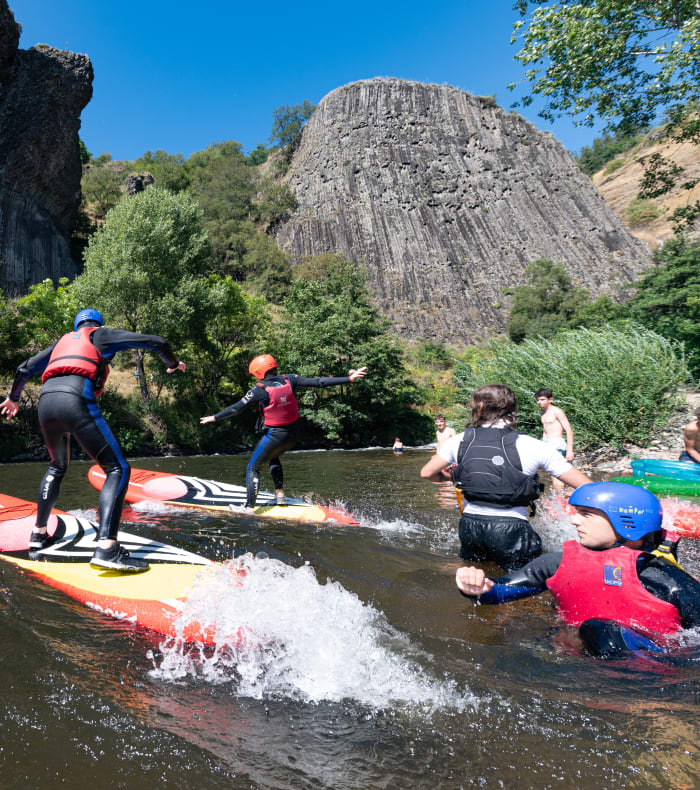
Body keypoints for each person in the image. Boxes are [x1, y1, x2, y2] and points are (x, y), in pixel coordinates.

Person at [0, 309, 186, 572]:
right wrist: (172, 363)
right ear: (97, 324)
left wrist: (14, 398)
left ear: (76, 325)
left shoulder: (61, 344)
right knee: (117, 469)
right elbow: (156, 341)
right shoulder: (100, 335)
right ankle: (107, 548)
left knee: (56, 466)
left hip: (46, 405)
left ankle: (39, 534)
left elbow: (24, 368)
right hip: (75, 400)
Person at [456, 482, 700, 659]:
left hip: (649, 666)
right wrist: (478, 588)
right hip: (578, 652)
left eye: (586, 515)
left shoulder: (665, 578)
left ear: (626, 523)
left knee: (599, 629)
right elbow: (498, 593)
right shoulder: (555, 564)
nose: (574, 521)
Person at [420, 384, 591, 571]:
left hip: (470, 527)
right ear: (511, 409)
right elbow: (587, 486)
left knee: (473, 581)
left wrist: (451, 479)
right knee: (524, 589)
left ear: (478, 409)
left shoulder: (459, 440)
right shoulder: (532, 445)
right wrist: (576, 498)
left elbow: (427, 473)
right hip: (511, 529)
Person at [200, 354, 367, 512]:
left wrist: (214, 417)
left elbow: (236, 408)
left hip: (275, 435)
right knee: (273, 456)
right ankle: (280, 494)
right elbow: (319, 381)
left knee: (253, 468)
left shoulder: (259, 390)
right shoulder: (290, 379)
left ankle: (248, 508)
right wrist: (349, 378)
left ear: (259, 372)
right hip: (294, 434)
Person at [534, 388, 574, 491]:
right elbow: (545, 430)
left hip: (557, 444)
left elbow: (569, 430)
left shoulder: (557, 411)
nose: (539, 402)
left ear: (550, 399)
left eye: (542, 399)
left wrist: (570, 450)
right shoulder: (543, 413)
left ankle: (558, 500)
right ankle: (559, 498)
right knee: (553, 473)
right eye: (538, 400)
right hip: (547, 444)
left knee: (556, 474)